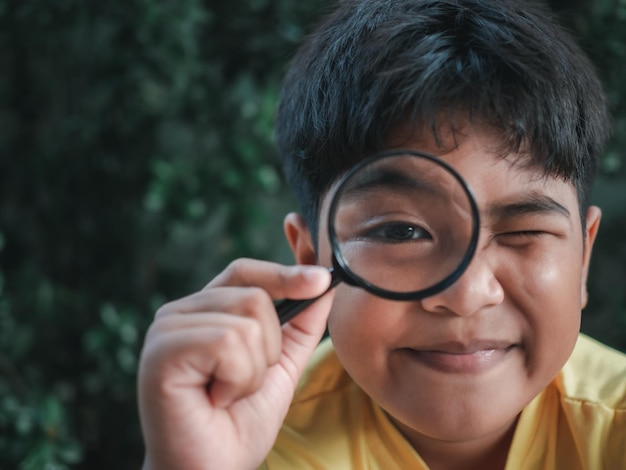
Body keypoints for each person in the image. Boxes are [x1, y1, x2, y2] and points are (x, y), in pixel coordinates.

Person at [137, 0, 626, 468]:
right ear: (312, 262)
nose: (466, 294)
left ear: (582, 259)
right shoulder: (244, 436)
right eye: (401, 231)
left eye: (522, 230)